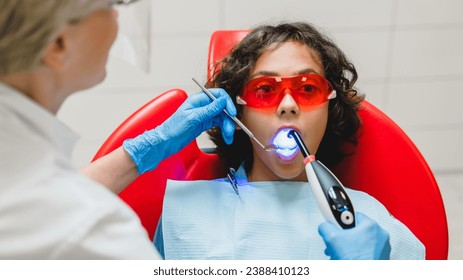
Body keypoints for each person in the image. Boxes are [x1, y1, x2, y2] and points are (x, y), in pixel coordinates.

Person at [154, 22, 425, 260]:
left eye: (307, 88)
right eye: (266, 90)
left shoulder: (370, 223)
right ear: (239, 114)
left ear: (330, 110)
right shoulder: (183, 214)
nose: (288, 105)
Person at [0, 0, 236, 259]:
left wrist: (148, 147)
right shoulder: (92, 233)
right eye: (109, 6)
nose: (115, 15)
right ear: (58, 44)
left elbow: (38, 205)